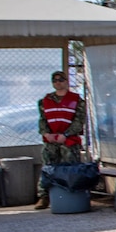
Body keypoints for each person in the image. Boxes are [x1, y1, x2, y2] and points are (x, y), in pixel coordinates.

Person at [35, 71, 87, 209]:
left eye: (61, 80)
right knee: (48, 167)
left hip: (68, 141)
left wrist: (66, 134)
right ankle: (44, 196)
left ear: (66, 81)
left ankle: (70, 194)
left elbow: (79, 121)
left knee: (70, 168)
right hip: (51, 141)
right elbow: (42, 120)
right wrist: (46, 134)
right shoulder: (45, 101)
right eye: (55, 80)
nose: (58, 82)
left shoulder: (77, 100)